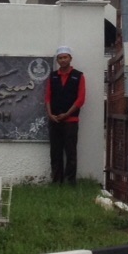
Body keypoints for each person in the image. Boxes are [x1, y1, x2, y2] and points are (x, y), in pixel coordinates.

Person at [44, 45, 86, 185]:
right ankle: (56, 181)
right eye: (60, 58)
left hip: (71, 121)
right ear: (57, 60)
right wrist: (50, 114)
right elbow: (48, 97)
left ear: (70, 58)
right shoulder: (53, 76)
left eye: (65, 57)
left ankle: (70, 182)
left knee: (70, 152)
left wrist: (67, 114)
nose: (63, 60)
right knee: (55, 152)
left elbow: (80, 99)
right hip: (54, 120)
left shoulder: (78, 76)